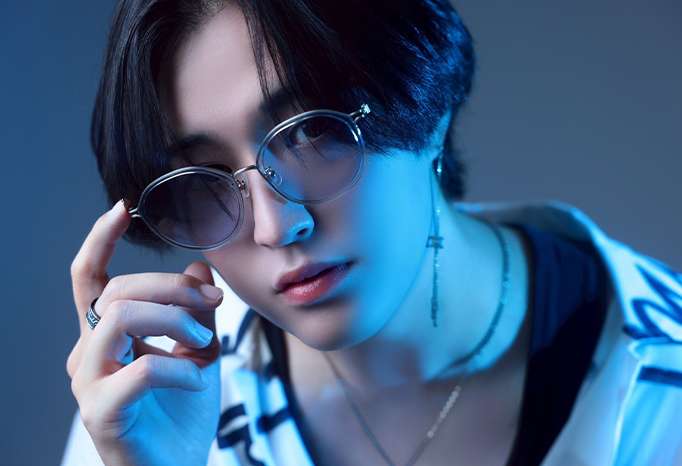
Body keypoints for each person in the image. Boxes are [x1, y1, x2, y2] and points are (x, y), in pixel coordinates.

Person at [62, 0, 682, 465]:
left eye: (311, 131)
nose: (277, 227)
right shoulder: (156, 385)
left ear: (427, 101)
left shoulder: (660, 386)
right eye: (205, 181)